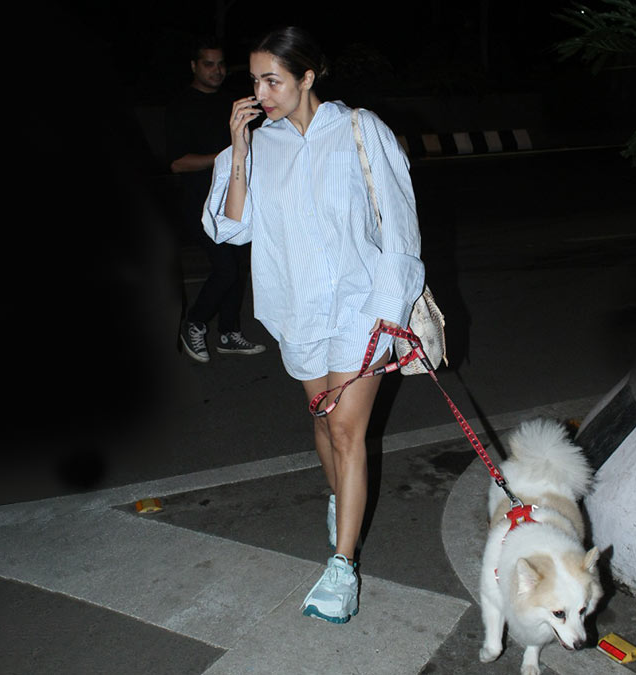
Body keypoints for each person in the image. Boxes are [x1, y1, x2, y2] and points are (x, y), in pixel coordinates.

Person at [203, 27, 425, 624]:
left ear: (307, 77)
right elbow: (231, 229)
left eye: (272, 80)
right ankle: (341, 498)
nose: (260, 93)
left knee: (349, 431)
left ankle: (342, 567)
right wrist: (240, 153)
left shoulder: (359, 130)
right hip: (296, 309)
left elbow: (399, 222)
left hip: (362, 307)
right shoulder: (259, 144)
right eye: (254, 80)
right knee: (325, 424)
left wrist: (391, 313)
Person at [166, 37, 266, 363]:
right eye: (208, 64)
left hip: (234, 200)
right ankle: (194, 322)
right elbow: (177, 163)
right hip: (200, 205)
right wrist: (227, 156)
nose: (217, 70)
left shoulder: (231, 103)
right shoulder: (181, 106)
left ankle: (228, 332)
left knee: (237, 267)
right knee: (226, 270)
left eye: (221, 64)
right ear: (194, 66)